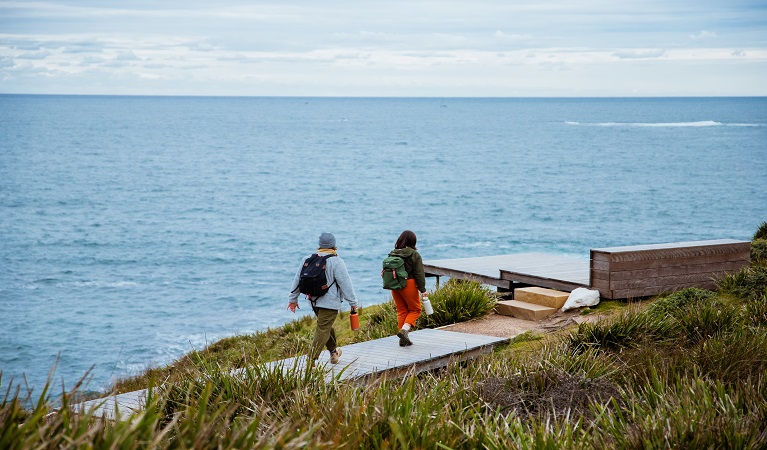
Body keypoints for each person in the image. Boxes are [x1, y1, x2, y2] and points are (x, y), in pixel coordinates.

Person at [288, 232, 358, 365]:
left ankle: (333, 353)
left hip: (314, 301)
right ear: (333, 245)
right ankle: (311, 360)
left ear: (320, 245)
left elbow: (297, 280)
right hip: (330, 302)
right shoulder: (336, 261)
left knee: (325, 326)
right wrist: (353, 302)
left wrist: (293, 299)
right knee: (323, 328)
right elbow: (345, 283)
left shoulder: (307, 259)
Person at [388, 230, 426, 346]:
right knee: (415, 309)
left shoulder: (393, 253)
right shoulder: (414, 254)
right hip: (408, 284)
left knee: (402, 310)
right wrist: (423, 289)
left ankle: (403, 339)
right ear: (413, 241)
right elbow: (419, 273)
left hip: (394, 285)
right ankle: (404, 330)